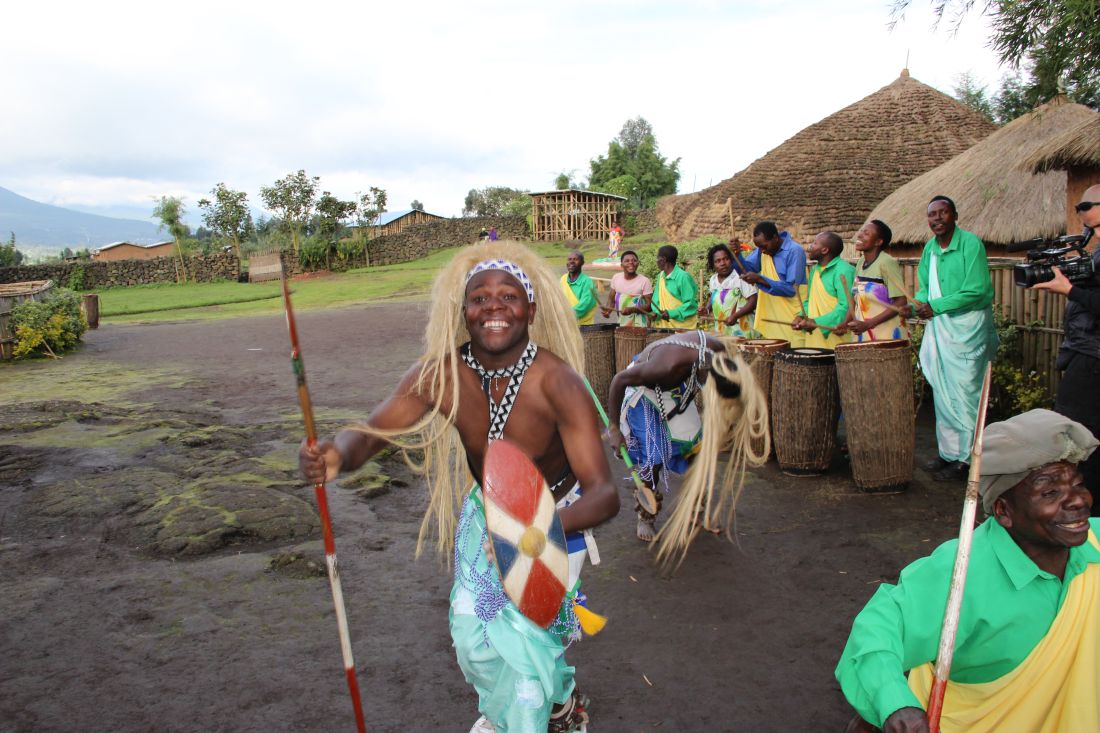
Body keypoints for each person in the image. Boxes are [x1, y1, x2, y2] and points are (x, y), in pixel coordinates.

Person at [298, 241, 620, 733]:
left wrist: (532, 533)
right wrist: (337, 454)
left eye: (509, 296)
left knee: (525, 643)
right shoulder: (439, 375)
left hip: (558, 519)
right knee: (473, 639)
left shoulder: (558, 382)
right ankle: (553, 703)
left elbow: (603, 493)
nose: (494, 307)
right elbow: (373, 432)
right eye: (480, 298)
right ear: (464, 310)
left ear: (530, 308)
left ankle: (521, 718)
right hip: (486, 514)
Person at [835, 409, 1100, 733]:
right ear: (1003, 510)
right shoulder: (959, 573)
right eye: (1050, 493)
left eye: (1077, 484)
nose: (1078, 501)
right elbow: (876, 632)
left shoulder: (1094, 544)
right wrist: (896, 704)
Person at [605, 331, 768, 544]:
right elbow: (620, 380)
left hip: (678, 388)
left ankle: (696, 507)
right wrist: (614, 428)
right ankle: (646, 515)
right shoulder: (667, 365)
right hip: (644, 391)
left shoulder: (718, 356)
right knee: (655, 454)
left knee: (697, 449)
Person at [913, 195, 998, 482]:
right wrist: (920, 303)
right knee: (942, 390)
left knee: (966, 392)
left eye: (943, 213)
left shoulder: (970, 244)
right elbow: (925, 286)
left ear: (955, 215)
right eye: (932, 215)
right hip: (940, 327)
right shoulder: (929, 248)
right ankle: (949, 452)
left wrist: (935, 306)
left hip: (967, 329)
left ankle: (967, 458)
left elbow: (978, 291)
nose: (936, 219)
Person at [1032, 184, 1100, 514]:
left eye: (1087, 205)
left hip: (1093, 360)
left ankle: (1082, 517)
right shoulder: (1095, 251)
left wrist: (1070, 289)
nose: (1081, 211)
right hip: (1085, 354)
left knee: (1076, 440)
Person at [730, 221, 808, 347]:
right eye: (759, 247)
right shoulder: (763, 250)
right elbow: (746, 270)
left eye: (764, 246)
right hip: (772, 318)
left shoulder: (795, 251)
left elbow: (791, 289)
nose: (762, 251)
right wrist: (737, 255)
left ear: (775, 238)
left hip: (792, 318)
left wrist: (760, 279)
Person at [847, 219, 909, 342]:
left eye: (867, 233)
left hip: (886, 335)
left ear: (878, 242)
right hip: (864, 333)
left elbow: (901, 301)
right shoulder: (860, 262)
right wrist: (845, 323)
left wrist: (869, 324)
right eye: (861, 231)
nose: (859, 235)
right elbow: (855, 297)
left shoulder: (887, 262)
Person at [792, 231, 856, 349]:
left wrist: (817, 322)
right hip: (815, 336)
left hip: (837, 336)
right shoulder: (814, 271)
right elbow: (810, 301)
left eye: (815, 243)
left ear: (825, 250)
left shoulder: (844, 270)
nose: (810, 247)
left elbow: (846, 306)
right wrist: (800, 316)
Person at [701, 242, 759, 338]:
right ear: (713, 264)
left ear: (731, 260)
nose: (723, 263)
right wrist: (706, 309)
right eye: (718, 261)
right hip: (722, 332)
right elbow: (714, 296)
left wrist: (735, 316)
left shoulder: (741, 277)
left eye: (726, 259)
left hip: (743, 332)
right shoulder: (713, 279)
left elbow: (753, 301)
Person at [650, 245, 699, 329]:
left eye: (657, 258)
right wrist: (656, 314)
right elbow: (656, 300)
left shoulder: (683, 277)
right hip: (664, 327)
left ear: (663, 260)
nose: (656, 261)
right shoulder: (661, 276)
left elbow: (690, 304)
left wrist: (671, 313)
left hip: (682, 328)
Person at [601, 250, 653, 327]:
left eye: (634, 260)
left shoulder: (644, 281)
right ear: (621, 265)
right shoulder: (616, 278)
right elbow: (611, 300)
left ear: (638, 264)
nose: (631, 263)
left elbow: (650, 306)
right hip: (621, 322)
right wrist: (608, 311)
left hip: (640, 325)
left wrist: (632, 309)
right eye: (627, 261)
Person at [560, 250, 598, 326]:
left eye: (575, 259)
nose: (571, 262)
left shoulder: (587, 281)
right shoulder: (563, 279)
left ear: (582, 263)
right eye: (569, 259)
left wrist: (566, 315)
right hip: (565, 323)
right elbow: (558, 298)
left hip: (583, 325)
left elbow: (585, 304)